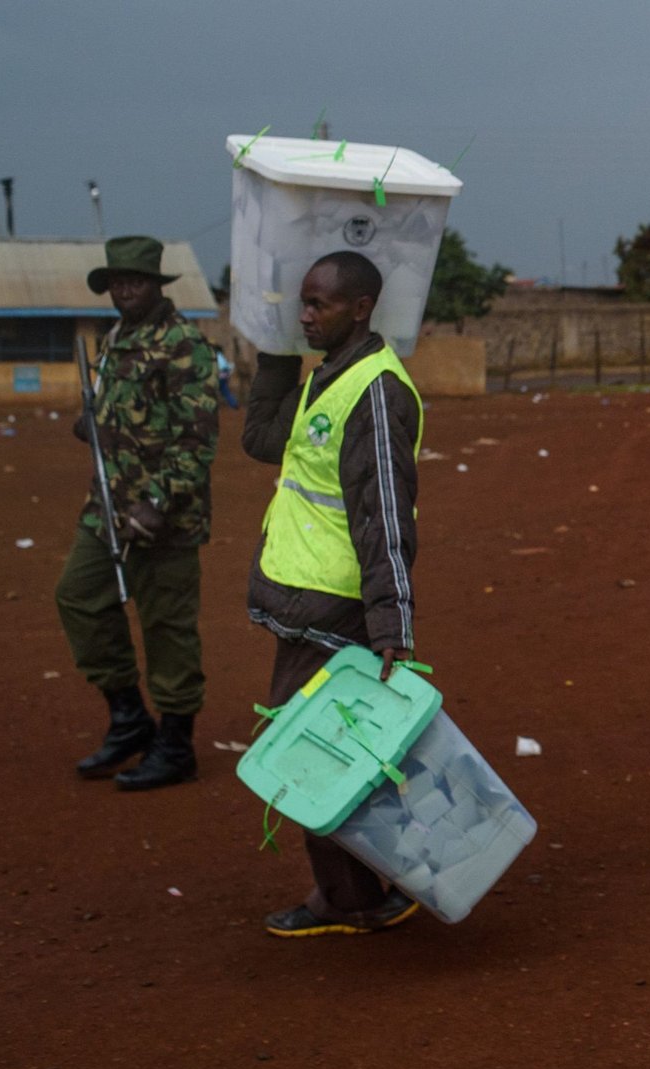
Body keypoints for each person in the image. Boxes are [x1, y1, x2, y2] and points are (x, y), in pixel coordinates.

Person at [244, 250, 423, 938]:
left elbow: (384, 514)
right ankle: (358, 892)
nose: (306, 314)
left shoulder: (376, 391)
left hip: (336, 611)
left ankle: (355, 897)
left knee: (305, 757)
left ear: (361, 308)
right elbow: (263, 439)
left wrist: (390, 623)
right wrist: (274, 357)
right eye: (302, 302)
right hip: (299, 603)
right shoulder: (328, 379)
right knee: (318, 752)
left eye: (318, 304)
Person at [55, 235, 219, 791]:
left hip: (163, 517)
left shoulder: (184, 345)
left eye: (134, 281)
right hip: (106, 507)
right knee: (79, 596)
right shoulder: (115, 339)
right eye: (116, 282)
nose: (124, 290)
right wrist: (92, 422)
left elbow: (197, 441)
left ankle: (175, 746)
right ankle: (128, 718)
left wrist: (156, 504)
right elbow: (111, 413)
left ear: (155, 284)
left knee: (166, 628)